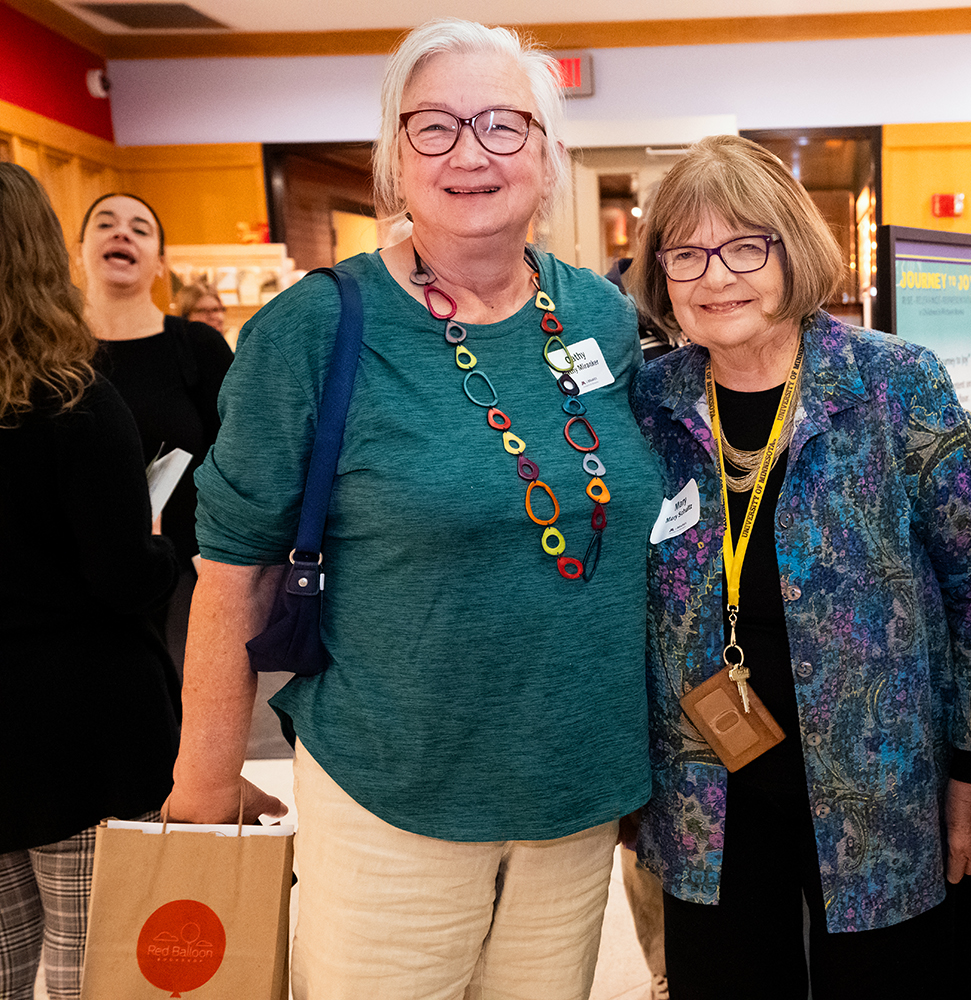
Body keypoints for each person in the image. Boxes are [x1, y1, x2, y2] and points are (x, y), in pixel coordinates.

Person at [167, 18, 660, 999]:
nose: (471, 152)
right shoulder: (314, 328)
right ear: (392, 159)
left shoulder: (603, 316)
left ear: (549, 156)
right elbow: (230, 577)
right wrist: (204, 791)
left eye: (503, 125)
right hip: (395, 797)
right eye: (432, 126)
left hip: (573, 799)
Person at [626, 134, 971, 1000]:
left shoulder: (895, 385)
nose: (715, 276)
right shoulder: (649, 404)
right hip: (707, 797)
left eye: (744, 247)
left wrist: (970, 775)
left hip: (881, 793)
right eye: (686, 254)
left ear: (792, 250)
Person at [0, 164, 179, 999]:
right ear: (48, 256)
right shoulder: (77, 402)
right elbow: (122, 580)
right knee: (91, 966)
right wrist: (162, 550)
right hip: (83, 728)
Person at [78, 192, 234, 678]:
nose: (121, 232)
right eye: (105, 224)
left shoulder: (195, 347)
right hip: (71, 578)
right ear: (77, 249)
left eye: (140, 228)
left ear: (161, 263)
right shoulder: (44, 353)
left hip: (185, 574)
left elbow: (241, 459)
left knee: (175, 719)